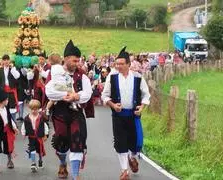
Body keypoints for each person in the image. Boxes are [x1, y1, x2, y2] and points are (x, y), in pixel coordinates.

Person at [45, 40, 92, 180]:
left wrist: (76, 96)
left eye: (78, 61)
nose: (77, 63)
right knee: (61, 140)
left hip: (76, 113)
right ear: (65, 59)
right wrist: (65, 95)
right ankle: (62, 162)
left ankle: (75, 175)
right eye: (74, 60)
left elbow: (88, 93)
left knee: (77, 140)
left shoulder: (82, 75)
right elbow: (49, 92)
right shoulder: (55, 74)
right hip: (60, 112)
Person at [101, 47, 150, 180]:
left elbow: (146, 95)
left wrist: (142, 108)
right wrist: (112, 105)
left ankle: (132, 156)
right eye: (117, 64)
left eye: (122, 64)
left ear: (129, 64)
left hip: (133, 115)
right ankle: (124, 171)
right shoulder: (112, 77)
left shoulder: (138, 77)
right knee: (120, 142)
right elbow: (104, 95)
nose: (119, 66)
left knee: (135, 143)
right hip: (118, 115)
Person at [21, 99, 49, 172]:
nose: (33, 111)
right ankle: (33, 163)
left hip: (39, 136)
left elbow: (45, 126)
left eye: (35, 109)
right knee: (32, 149)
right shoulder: (27, 118)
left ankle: (40, 160)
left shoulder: (41, 118)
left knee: (39, 150)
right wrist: (23, 133)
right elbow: (24, 126)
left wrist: (46, 135)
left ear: (38, 109)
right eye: (32, 109)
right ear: (30, 109)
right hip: (31, 136)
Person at [0, 54, 20, 120]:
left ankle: (13, 123)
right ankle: (5, 123)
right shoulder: (0, 70)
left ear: (9, 60)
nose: (6, 61)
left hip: (11, 92)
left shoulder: (13, 69)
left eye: (7, 60)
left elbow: (17, 76)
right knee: (3, 107)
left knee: (12, 108)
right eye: (5, 60)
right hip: (3, 91)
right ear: (2, 61)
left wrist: (12, 68)